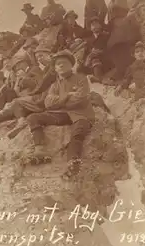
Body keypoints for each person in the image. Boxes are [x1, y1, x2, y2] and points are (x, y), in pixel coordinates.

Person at [25, 50, 95, 178]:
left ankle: (73, 163)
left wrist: (60, 101)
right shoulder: (55, 85)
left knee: (78, 133)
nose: (61, 65)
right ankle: (40, 150)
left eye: (64, 63)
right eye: (58, 64)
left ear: (71, 65)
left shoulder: (81, 78)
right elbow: (48, 104)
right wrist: (67, 96)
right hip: (61, 115)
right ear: (55, 68)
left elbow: (81, 98)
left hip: (81, 114)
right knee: (33, 117)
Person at [83, 17, 110, 83]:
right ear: (90, 28)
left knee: (95, 60)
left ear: (100, 25)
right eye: (92, 25)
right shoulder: (88, 40)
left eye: (96, 24)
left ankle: (99, 78)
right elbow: (85, 53)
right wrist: (88, 57)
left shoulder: (106, 36)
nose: (95, 26)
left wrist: (99, 52)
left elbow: (109, 49)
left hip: (105, 60)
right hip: (91, 63)